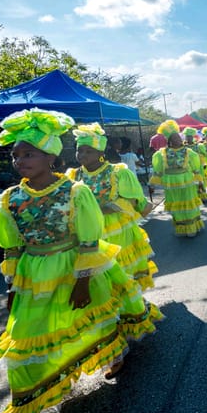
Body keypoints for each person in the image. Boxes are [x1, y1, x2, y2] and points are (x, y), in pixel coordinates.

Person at [0, 109, 161, 413]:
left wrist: (82, 281)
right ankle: (31, 396)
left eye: (29, 154)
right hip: (34, 274)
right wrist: (12, 285)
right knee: (29, 335)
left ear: (51, 157)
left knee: (94, 315)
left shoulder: (74, 191)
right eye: (16, 156)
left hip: (76, 266)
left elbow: (88, 240)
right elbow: (11, 247)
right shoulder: (8, 200)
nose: (20, 161)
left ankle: (114, 354)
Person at [67, 123, 159, 290]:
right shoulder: (73, 175)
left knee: (120, 266)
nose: (82, 155)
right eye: (79, 150)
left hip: (116, 228)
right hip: (88, 230)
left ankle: (130, 301)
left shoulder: (118, 172)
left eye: (88, 151)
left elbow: (129, 201)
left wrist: (94, 211)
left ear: (101, 153)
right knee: (99, 273)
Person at [150, 119, 205, 237]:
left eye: (178, 138)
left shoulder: (189, 152)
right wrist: (152, 185)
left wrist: (200, 182)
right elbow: (158, 171)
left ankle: (192, 227)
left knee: (189, 205)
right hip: (171, 186)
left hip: (187, 183)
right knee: (176, 207)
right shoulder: (161, 154)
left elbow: (196, 169)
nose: (177, 140)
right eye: (174, 139)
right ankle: (181, 227)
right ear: (169, 141)